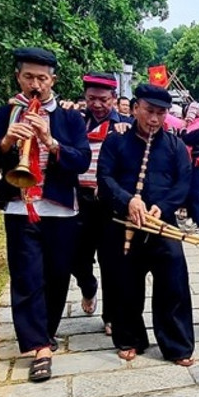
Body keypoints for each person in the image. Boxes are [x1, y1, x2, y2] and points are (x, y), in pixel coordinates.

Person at [0, 47, 91, 382]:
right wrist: (5, 142)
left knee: (56, 276)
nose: (35, 84)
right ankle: (38, 346)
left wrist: (50, 140)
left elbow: (82, 161)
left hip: (60, 210)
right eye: (28, 77)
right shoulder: (7, 113)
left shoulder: (70, 118)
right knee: (26, 276)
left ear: (52, 81)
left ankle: (46, 332)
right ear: (18, 77)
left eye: (42, 78)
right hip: (20, 206)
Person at [97, 83, 195, 365]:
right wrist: (128, 200)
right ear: (135, 108)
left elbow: (183, 183)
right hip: (124, 222)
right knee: (125, 283)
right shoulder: (116, 141)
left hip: (161, 224)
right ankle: (129, 338)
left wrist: (162, 207)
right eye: (149, 111)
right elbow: (105, 177)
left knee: (174, 283)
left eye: (161, 113)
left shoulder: (176, 146)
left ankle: (177, 346)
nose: (154, 119)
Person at [72, 72, 130, 335]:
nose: (97, 104)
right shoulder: (75, 122)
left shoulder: (125, 126)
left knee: (112, 261)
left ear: (114, 99)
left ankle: (111, 316)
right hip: (78, 201)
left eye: (103, 99)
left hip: (109, 204)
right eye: (91, 98)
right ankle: (88, 286)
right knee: (76, 256)